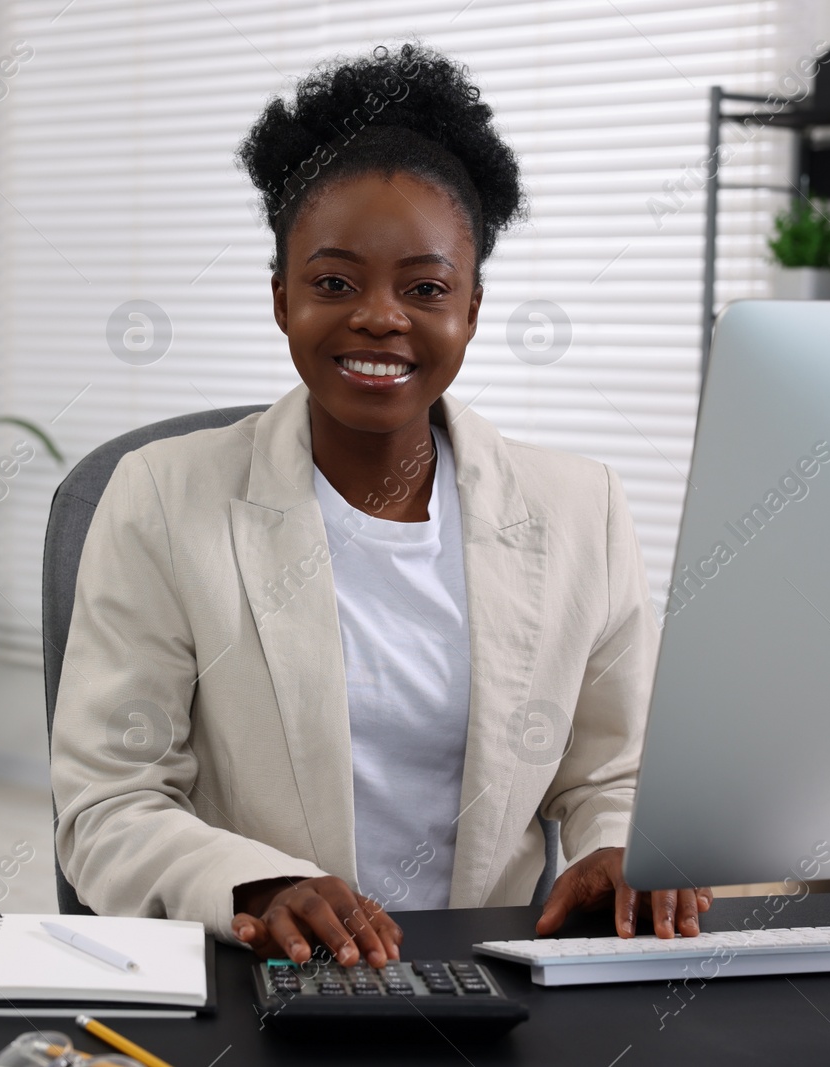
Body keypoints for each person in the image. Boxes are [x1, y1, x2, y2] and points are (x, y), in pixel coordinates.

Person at [49, 41, 709, 971]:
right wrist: (255, 884)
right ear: (281, 299)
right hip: (262, 982)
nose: (379, 316)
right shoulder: (162, 497)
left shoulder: (578, 509)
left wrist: (615, 846)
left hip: (492, 982)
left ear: (472, 308)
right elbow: (109, 801)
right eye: (333, 282)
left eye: (426, 288)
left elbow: (615, 768)